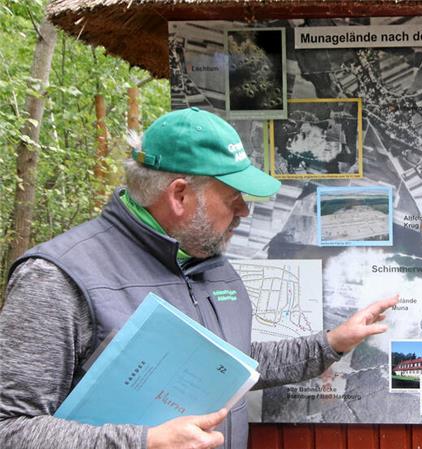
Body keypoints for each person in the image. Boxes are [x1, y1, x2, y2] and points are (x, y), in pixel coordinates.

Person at [0, 107, 398, 449]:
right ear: (179, 195)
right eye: (233, 196)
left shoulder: (211, 266)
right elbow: (9, 428)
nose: (244, 211)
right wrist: (143, 442)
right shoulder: (57, 277)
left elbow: (230, 365)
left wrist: (330, 343)